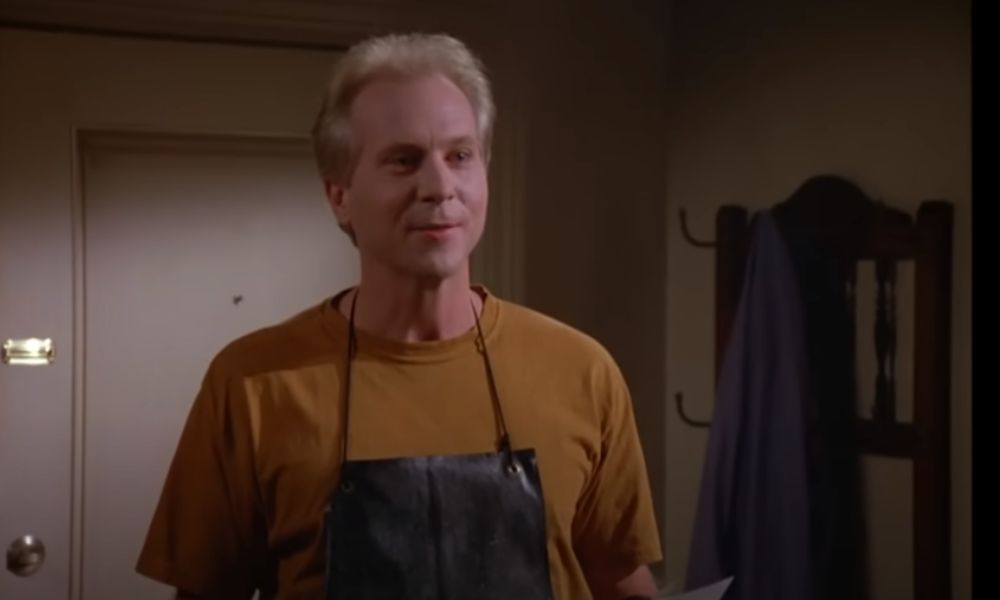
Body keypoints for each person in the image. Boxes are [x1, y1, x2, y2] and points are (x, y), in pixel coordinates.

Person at [136, 32, 662, 600]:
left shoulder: (582, 372)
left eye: (460, 156)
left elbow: (622, 583)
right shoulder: (251, 384)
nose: (439, 187)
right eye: (404, 161)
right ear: (340, 196)